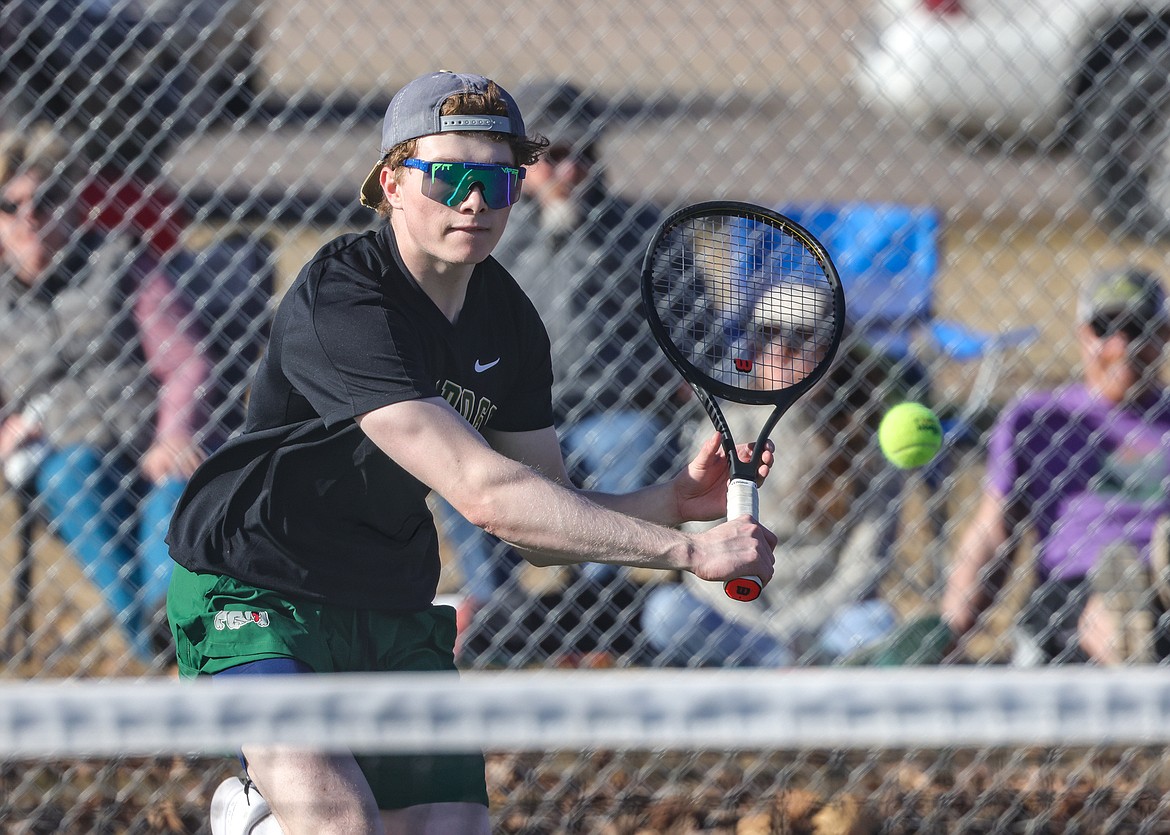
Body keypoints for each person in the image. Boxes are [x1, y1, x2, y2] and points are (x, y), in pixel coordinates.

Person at [166, 71, 777, 835]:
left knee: (451, 827)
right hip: (255, 586)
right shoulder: (346, 296)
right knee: (340, 822)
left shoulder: (509, 319)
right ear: (391, 182)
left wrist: (668, 501)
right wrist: (687, 553)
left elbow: (536, 520)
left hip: (384, 596)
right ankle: (265, 816)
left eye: (497, 178)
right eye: (449, 175)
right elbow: (484, 493)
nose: (475, 201)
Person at [433, 80, 692, 665]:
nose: (570, 170)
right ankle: (498, 615)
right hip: (510, 415)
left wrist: (671, 382)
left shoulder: (637, 232)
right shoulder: (487, 231)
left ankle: (593, 619)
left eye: (584, 155)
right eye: (553, 156)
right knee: (462, 454)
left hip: (613, 408)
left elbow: (689, 324)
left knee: (631, 445)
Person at [0, 125, 209, 665]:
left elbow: (185, 362)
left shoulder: (117, 262)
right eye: (11, 205)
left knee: (174, 485)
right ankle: (164, 648)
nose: (30, 218)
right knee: (70, 474)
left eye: (46, 201)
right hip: (72, 457)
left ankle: (165, 623)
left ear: (73, 206)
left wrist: (173, 433)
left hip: (149, 447)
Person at [641, 283, 906, 666]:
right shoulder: (723, 428)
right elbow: (700, 554)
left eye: (801, 337)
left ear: (834, 351)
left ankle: (778, 670)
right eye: (766, 335)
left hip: (824, 622)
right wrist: (767, 633)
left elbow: (864, 566)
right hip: (743, 623)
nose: (780, 350)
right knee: (667, 611)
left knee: (875, 623)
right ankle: (792, 672)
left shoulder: (865, 435)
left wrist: (793, 629)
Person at [941, 266, 1170, 665]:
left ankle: (1135, 618)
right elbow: (994, 532)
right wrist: (950, 629)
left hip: (1159, 573)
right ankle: (1127, 627)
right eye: (1105, 328)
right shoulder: (1039, 418)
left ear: (1164, 336)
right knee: (1098, 607)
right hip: (1070, 587)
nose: (1121, 346)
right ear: (1083, 336)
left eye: (1137, 329)